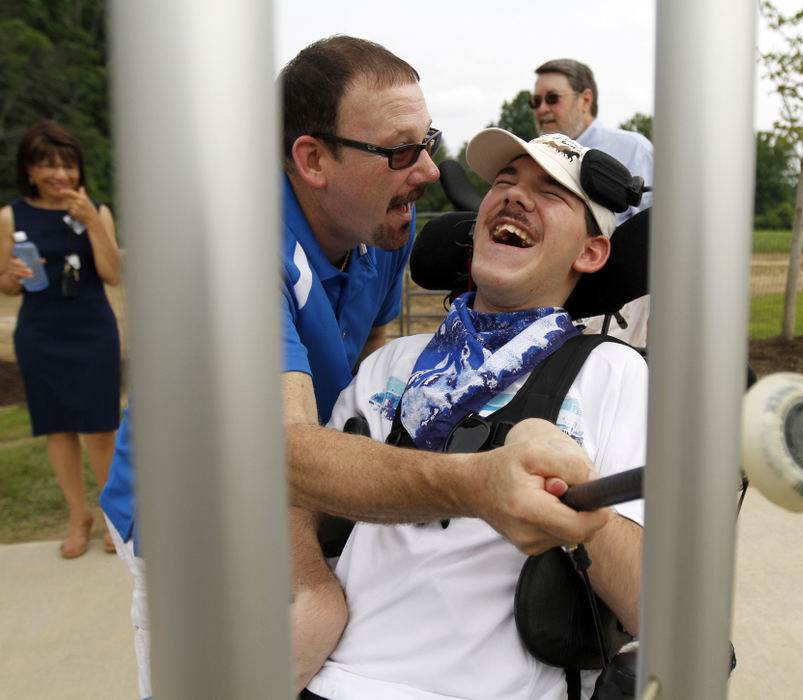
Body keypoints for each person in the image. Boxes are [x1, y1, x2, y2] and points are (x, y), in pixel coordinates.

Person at [101, 36, 610, 699]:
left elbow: (367, 372)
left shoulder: (385, 223)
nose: (428, 171)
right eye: (400, 151)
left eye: (427, 140)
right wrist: (469, 482)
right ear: (312, 159)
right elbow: (284, 451)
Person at [300, 128, 647, 700]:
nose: (513, 195)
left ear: (591, 252)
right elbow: (302, 514)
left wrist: (569, 488)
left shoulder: (614, 374)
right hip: (336, 680)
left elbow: (652, 601)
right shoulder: (388, 366)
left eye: (552, 193)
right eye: (504, 182)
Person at [0, 121, 122, 559]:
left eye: (67, 166)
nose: (60, 176)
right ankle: (77, 516)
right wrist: (10, 276)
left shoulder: (96, 210)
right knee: (57, 428)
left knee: (101, 430)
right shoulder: (10, 217)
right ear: (29, 170)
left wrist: (92, 222)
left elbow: (112, 273)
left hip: (91, 331)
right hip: (40, 333)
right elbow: (6, 284)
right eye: (48, 166)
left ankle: (112, 516)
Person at [532, 58, 655, 347]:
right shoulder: (536, 157)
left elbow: (651, 237)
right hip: (546, 305)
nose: (542, 109)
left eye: (552, 98)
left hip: (618, 311)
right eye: (535, 102)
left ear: (585, 99)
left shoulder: (632, 148)